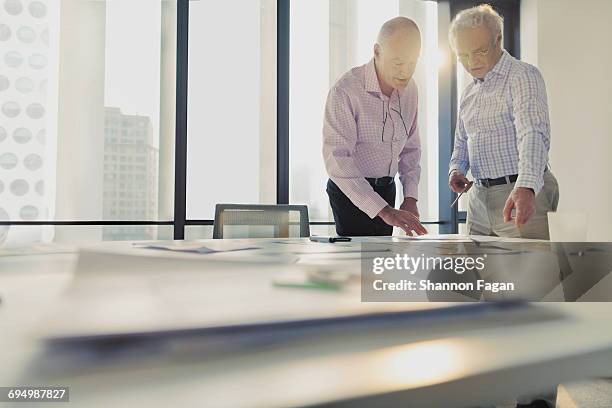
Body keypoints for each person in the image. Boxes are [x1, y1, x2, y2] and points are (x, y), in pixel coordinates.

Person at [448, 4, 559, 240]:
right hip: (478, 199)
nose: (471, 62)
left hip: (518, 191)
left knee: (530, 276)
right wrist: (456, 169)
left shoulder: (522, 76)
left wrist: (526, 186)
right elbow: (462, 141)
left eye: (479, 51)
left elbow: (532, 133)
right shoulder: (468, 92)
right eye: (463, 56)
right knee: (477, 274)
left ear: (498, 39)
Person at [323, 17, 427, 237]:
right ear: (377, 52)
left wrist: (410, 198)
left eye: (412, 63)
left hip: (387, 188)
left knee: (382, 261)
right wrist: (383, 210)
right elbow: (337, 159)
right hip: (350, 191)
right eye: (398, 63)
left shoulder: (411, 90)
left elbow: (411, 149)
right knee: (357, 264)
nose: (405, 72)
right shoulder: (346, 90)